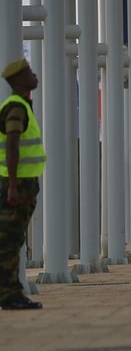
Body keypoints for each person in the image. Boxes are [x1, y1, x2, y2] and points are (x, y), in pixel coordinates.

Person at [0, 58, 45, 310]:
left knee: (13, 240)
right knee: (8, 241)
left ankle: (12, 293)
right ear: (18, 80)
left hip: (21, 184)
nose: (34, 75)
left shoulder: (22, 106)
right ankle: (9, 296)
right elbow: (12, 145)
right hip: (13, 184)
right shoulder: (16, 107)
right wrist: (13, 186)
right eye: (29, 72)